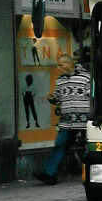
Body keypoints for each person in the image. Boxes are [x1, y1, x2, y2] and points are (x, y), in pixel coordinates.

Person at [34, 55, 90, 185]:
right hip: (67, 121)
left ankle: (90, 174)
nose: (59, 68)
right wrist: (52, 98)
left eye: (61, 65)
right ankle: (49, 174)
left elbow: (93, 97)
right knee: (60, 145)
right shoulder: (60, 80)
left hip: (84, 120)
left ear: (69, 64)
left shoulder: (85, 77)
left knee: (87, 148)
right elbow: (58, 99)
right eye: (58, 65)